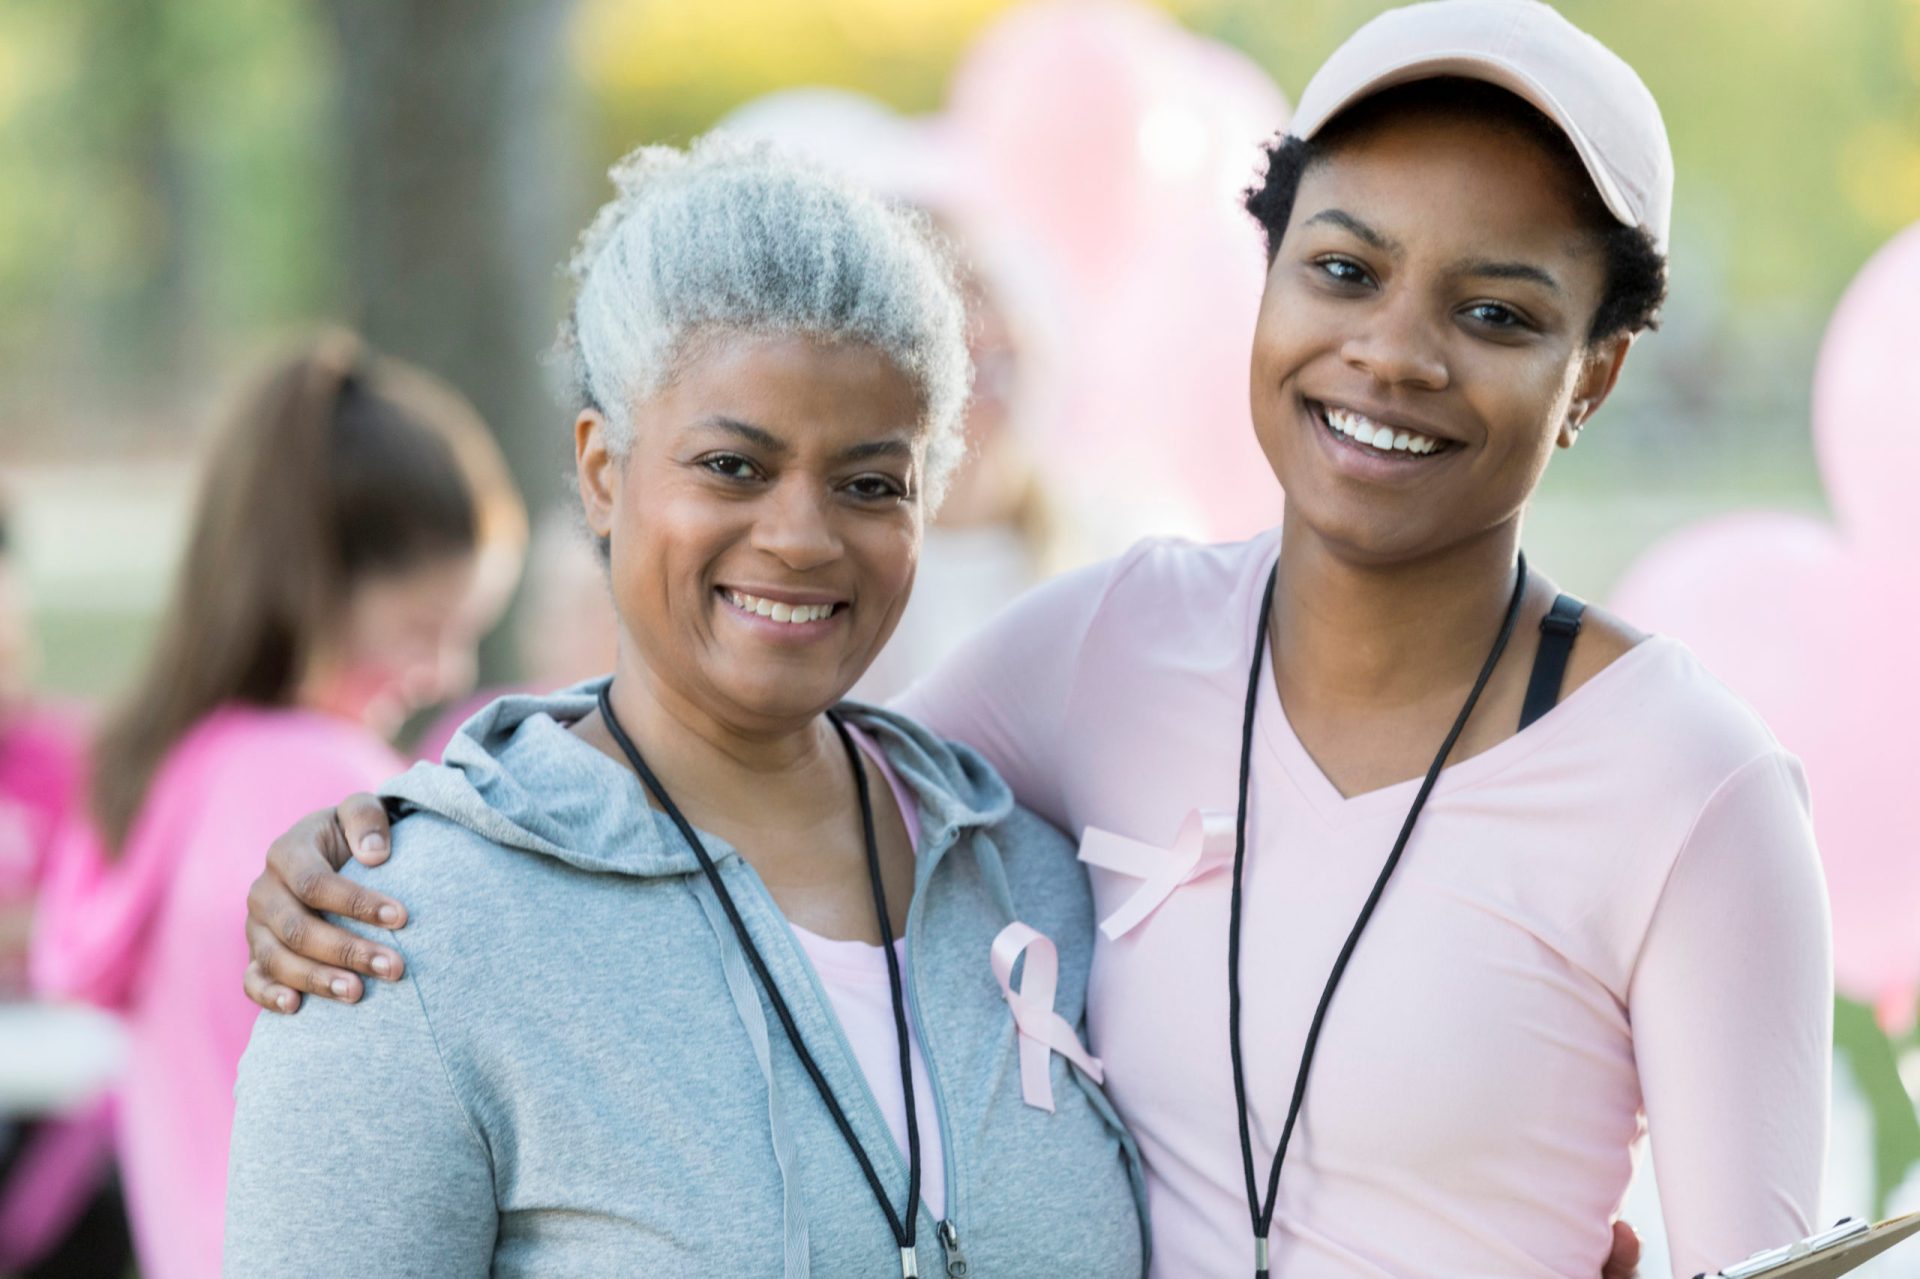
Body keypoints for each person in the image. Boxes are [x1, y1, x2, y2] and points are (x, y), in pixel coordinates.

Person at [239, 3, 1831, 1276]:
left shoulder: (1692, 785)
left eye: (1497, 312)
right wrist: (423, 819)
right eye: (1342, 268)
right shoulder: (1105, 648)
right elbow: (739, 730)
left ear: (1598, 372)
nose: (1393, 352)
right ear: (1263, 280)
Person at [221, 138, 1146, 1276]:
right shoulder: (405, 938)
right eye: (733, 467)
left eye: (869, 484)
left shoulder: (1035, 875)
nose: (802, 537)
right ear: (605, 472)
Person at [27, 333, 527, 1279]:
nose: (447, 673)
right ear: (315, 583)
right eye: (426, 627)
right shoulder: (329, 794)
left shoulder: (162, 774)